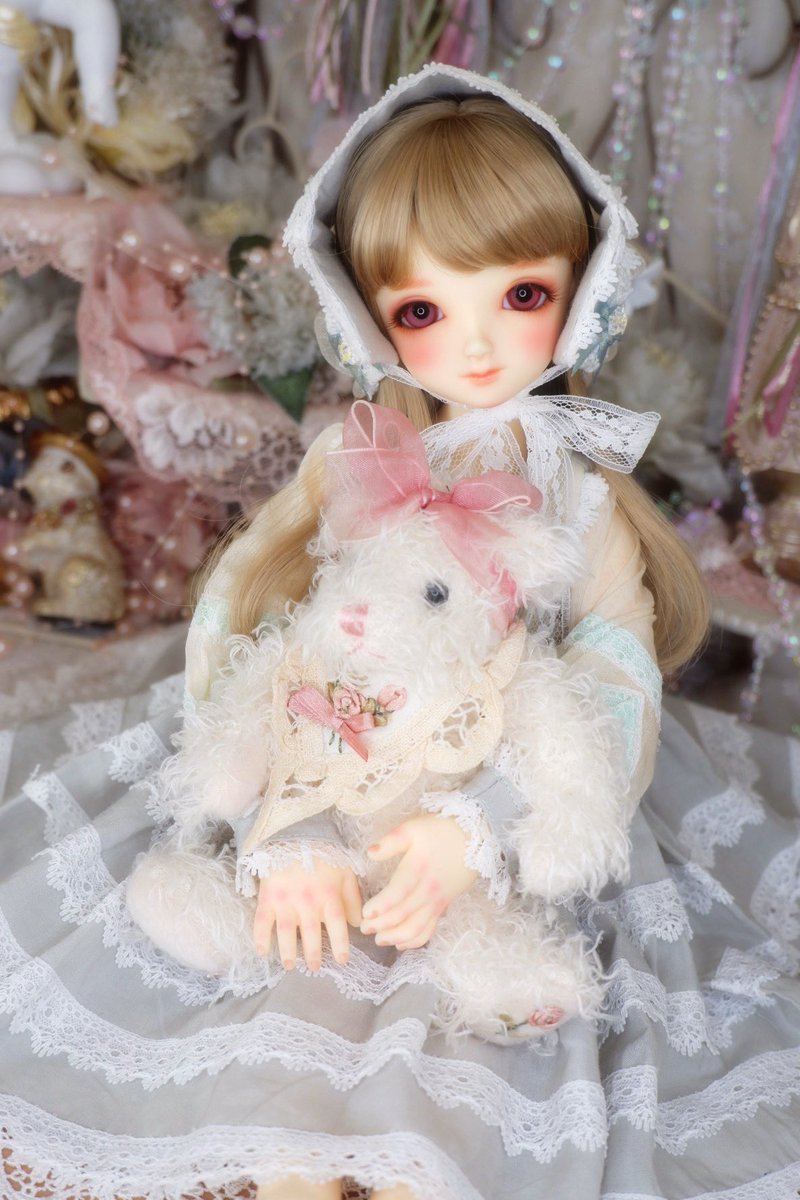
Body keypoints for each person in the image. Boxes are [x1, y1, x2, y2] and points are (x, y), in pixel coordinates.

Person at [1, 65, 799, 1200]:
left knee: (470, 1056)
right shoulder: (359, 455)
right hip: (338, 761)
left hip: (506, 783)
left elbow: (613, 677)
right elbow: (248, 617)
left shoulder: (580, 498)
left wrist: (480, 825)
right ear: (367, 313)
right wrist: (284, 823)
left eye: (520, 294)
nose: (475, 346)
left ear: (582, 285)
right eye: (423, 311)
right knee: (294, 1028)